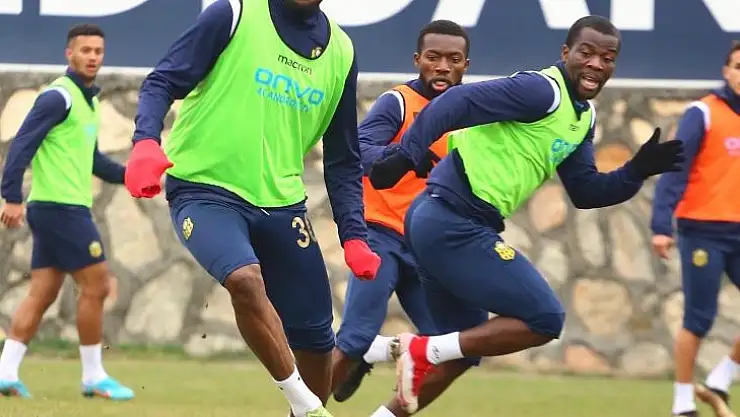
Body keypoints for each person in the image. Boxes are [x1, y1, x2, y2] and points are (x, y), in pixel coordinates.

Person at [367, 15, 685, 416]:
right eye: (586, 53)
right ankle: (415, 348)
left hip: (441, 221)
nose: (596, 64)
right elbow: (454, 102)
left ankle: (394, 367)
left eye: (607, 58)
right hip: (451, 220)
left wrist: (636, 171)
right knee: (545, 317)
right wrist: (407, 154)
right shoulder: (542, 91)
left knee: (462, 349)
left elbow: (586, 191)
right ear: (566, 53)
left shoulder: (582, 117)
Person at [123, 1, 381, 416]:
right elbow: (161, 81)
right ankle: (308, 407)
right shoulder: (234, 13)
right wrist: (145, 142)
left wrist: (354, 235)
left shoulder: (342, 51)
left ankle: (307, 408)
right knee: (244, 279)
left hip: (283, 206)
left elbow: (343, 158)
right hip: (205, 190)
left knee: (318, 343)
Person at [331, 20, 470, 403]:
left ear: (466, 65)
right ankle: (310, 405)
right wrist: (404, 156)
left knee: (454, 346)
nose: (442, 67)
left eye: (453, 59)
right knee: (353, 339)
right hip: (381, 235)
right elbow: (359, 151)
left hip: (427, 244)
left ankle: (383, 356)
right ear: (417, 60)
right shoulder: (399, 102)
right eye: (433, 57)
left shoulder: (471, 111)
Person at [0, 24, 133, 400]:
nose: (93, 57)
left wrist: (133, 177)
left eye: (98, 51)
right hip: (61, 209)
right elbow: (21, 146)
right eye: (85, 50)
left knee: (42, 292)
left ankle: (5, 373)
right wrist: (11, 197)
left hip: (58, 209)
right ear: (69, 54)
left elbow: (93, 161)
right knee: (97, 285)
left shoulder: (87, 102)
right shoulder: (58, 97)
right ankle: (93, 377)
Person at [651, 40, 740, 417]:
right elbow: (675, 171)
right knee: (698, 319)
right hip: (703, 231)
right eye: (738, 66)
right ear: (726, 71)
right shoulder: (702, 113)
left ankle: (721, 378)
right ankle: (683, 402)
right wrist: (661, 226)